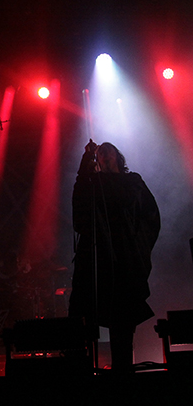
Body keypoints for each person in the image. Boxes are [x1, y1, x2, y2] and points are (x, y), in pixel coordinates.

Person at [69, 140, 160, 372]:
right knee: (82, 316)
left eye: (108, 150)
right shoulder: (91, 183)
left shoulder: (132, 181)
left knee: (122, 321)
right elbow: (79, 212)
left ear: (118, 157)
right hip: (94, 257)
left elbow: (148, 215)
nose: (104, 153)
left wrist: (138, 247)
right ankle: (79, 372)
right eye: (101, 152)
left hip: (123, 258)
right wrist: (85, 164)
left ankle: (122, 373)